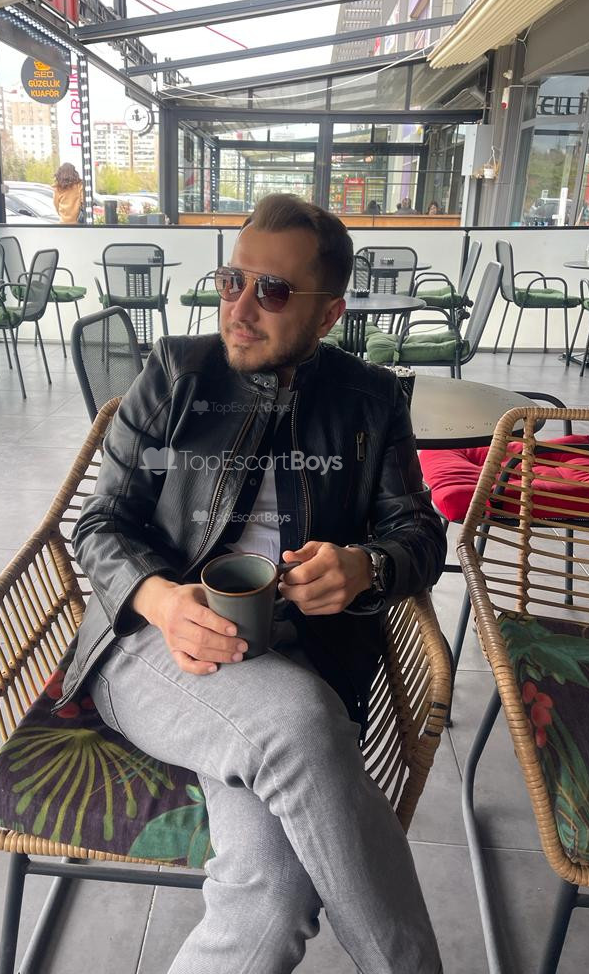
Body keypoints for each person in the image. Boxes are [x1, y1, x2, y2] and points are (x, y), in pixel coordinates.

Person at [59, 194, 446, 974]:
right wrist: (162, 600)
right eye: (232, 280)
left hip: (301, 658)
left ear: (328, 314)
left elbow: (421, 534)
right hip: (154, 645)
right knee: (301, 718)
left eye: (271, 291)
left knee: (271, 897)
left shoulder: (372, 399)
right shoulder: (175, 373)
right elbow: (98, 524)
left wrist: (365, 567)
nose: (239, 308)